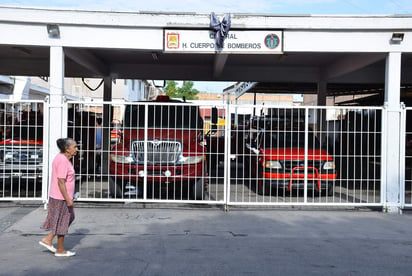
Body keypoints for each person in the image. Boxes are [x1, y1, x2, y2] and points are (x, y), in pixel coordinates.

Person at [39, 138, 78, 257]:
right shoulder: (62, 160)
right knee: (63, 221)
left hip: (60, 196)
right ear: (67, 149)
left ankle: (48, 239)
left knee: (68, 218)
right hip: (60, 197)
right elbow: (61, 182)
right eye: (74, 147)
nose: (76, 149)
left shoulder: (64, 159)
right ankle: (60, 250)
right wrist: (68, 199)